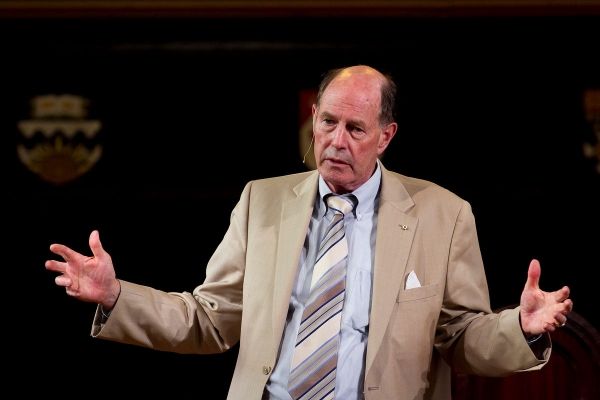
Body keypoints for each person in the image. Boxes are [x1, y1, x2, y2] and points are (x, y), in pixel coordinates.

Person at [45, 65, 573, 400]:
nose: (337, 141)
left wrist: (520, 329)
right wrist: (117, 296)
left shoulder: (444, 214)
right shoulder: (261, 202)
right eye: (328, 123)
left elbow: (460, 338)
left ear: (386, 136)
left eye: (356, 129)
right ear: (313, 118)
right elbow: (209, 320)